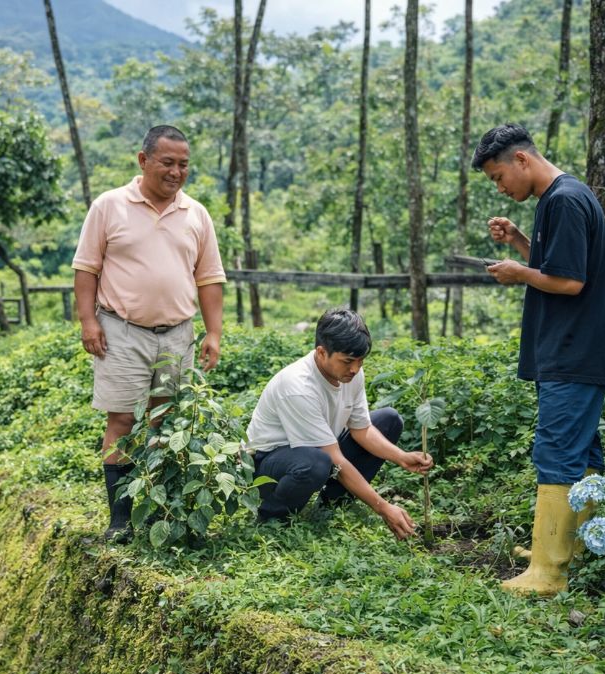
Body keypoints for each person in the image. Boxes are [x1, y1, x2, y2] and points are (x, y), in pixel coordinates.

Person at [472, 123, 605, 597]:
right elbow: (558, 267)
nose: (500, 186)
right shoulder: (561, 199)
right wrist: (518, 244)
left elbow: (570, 284)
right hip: (574, 349)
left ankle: (548, 572)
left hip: (572, 350)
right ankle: (572, 549)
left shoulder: (563, 200)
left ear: (521, 160)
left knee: (556, 453)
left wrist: (517, 274)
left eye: (497, 177)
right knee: (582, 454)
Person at [72, 125, 226, 542]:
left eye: (184, 165)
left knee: (165, 419)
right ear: (144, 161)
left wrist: (213, 333)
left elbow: (209, 277)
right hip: (121, 331)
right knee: (121, 418)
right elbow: (86, 268)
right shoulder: (109, 206)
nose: (176, 172)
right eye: (168, 163)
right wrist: (88, 322)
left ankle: (157, 509)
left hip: (177, 333)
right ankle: (119, 520)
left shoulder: (196, 214)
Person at [246, 308, 432, 540]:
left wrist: (401, 457)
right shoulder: (297, 387)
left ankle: (331, 505)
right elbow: (334, 459)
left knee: (388, 420)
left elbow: (361, 430)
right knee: (317, 462)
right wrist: (383, 507)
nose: (355, 369)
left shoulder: (351, 374)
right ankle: (273, 517)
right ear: (322, 352)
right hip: (269, 465)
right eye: (347, 361)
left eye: (360, 361)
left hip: (318, 451)